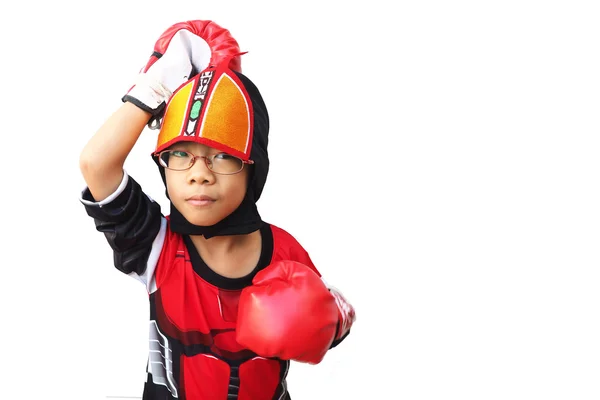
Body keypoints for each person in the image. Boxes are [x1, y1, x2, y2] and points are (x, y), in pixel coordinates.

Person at [79, 19, 356, 400]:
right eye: (180, 155)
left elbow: (335, 319)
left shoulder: (284, 251)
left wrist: (328, 322)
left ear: (253, 166)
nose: (199, 175)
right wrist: (156, 85)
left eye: (223, 157)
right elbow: (97, 164)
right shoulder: (155, 246)